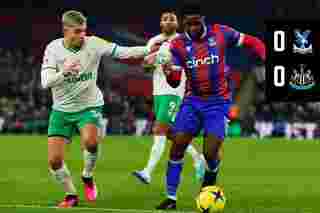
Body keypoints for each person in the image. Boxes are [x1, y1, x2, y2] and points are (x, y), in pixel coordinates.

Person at [155, 4, 265, 210]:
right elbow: (174, 81)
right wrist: (168, 70)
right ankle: (171, 198)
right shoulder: (177, 45)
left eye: (198, 22)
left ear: (203, 19)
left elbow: (253, 41)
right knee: (177, 144)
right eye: (190, 23)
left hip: (218, 102)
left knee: (211, 151)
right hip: (193, 101)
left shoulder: (221, 33)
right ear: (184, 22)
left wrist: (265, 55)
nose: (194, 26)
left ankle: (209, 182)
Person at [41, 10, 149, 208]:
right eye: (77, 31)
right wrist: (63, 72)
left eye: (84, 31)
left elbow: (123, 52)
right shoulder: (53, 49)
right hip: (61, 110)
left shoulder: (93, 43)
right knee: (55, 161)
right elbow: (45, 82)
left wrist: (149, 49)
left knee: (90, 142)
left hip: (89, 105)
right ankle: (71, 195)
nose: (82, 35)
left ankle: (87, 176)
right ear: (66, 30)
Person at [132, 9, 205, 185]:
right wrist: (148, 62)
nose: (168, 21)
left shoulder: (183, 41)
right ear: (161, 23)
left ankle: (147, 172)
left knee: (159, 129)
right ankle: (198, 158)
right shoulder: (153, 41)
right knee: (172, 133)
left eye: (171, 19)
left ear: (177, 23)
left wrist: (166, 60)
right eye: (165, 19)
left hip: (174, 90)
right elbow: (145, 66)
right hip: (158, 91)